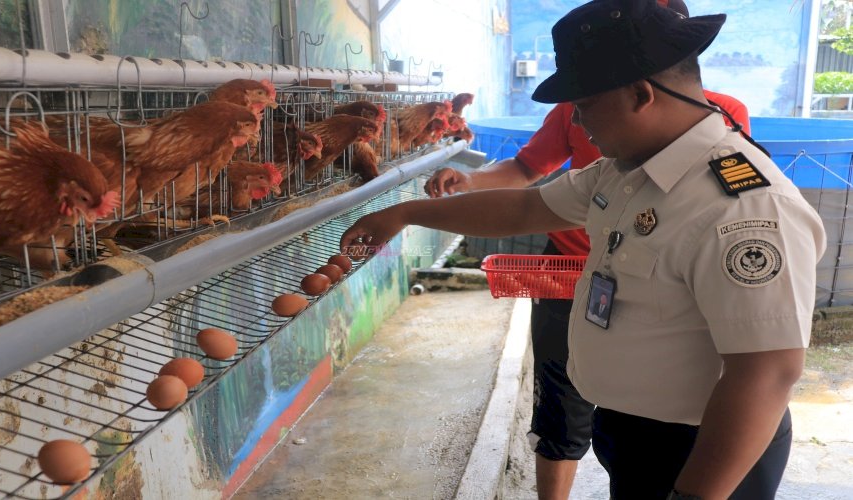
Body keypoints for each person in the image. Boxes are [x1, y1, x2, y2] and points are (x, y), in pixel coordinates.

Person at [341, 1, 826, 498]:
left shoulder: (742, 208)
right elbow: (524, 210)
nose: (576, 118)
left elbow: (767, 372)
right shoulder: (628, 172)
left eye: (586, 103)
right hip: (634, 434)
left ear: (641, 94)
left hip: (706, 453)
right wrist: (400, 215)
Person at [423, 2, 751, 498]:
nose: (582, 120)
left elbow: (763, 371)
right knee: (564, 409)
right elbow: (527, 187)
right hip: (570, 278)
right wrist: (464, 185)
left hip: (654, 291)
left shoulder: (724, 134)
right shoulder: (588, 121)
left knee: (650, 420)